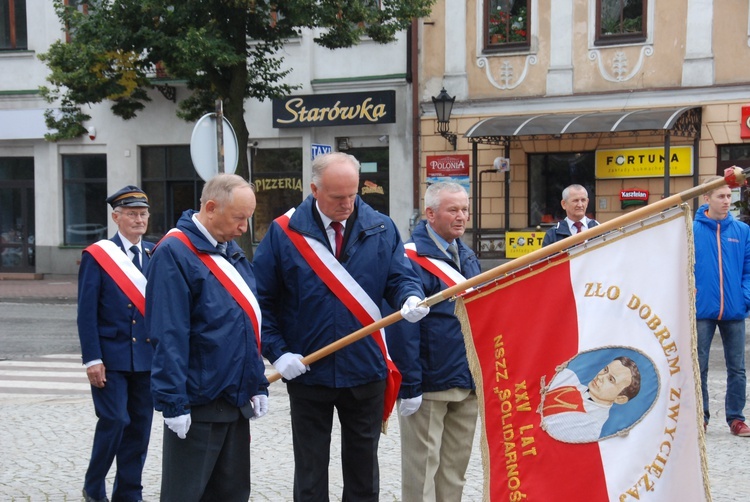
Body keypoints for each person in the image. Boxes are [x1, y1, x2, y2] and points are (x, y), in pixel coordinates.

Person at [253, 152, 429, 501]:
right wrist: (277, 352)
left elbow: (400, 277)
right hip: (307, 370)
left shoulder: (380, 226)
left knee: (364, 473)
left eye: (353, 194)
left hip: (365, 369)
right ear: (314, 189)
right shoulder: (283, 233)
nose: (347, 204)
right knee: (310, 471)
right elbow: (261, 302)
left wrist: (409, 297)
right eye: (337, 197)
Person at [146, 173, 269, 501]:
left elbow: (245, 324)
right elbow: (168, 333)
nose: (244, 228)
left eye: (248, 218)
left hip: (233, 401)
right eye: (238, 218)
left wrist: (256, 384)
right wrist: (173, 402)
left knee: (231, 494)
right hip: (198, 403)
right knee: (186, 494)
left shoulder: (229, 250)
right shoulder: (174, 253)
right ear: (211, 208)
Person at [385, 181, 481, 502]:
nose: (461, 216)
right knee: (421, 472)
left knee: (454, 472)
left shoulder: (466, 256)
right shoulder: (409, 258)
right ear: (430, 213)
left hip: (465, 380)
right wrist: (410, 385)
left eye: (465, 209)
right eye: (453, 209)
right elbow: (402, 329)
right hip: (429, 383)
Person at [77, 185, 154, 502]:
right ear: (116, 217)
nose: (139, 219)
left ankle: (129, 492)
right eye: (132, 214)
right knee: (115, 420)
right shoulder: (98, 256)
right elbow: (86, 312)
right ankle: (94, 485)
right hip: (111, 358)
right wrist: (92, 358)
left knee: (139, 428)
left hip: (146, 359)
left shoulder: (154, 253)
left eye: (143, 214)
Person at [694, 176, 750, 437]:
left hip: (734, 311)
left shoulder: (742, 231)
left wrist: (745, 298)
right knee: (700, 366)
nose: (727, 201)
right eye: (721, 196)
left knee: (737, 368)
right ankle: (700, 417)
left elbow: (748, 269)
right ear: (707, 198)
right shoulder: (691, 230)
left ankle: (736, 419)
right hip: (702, 310)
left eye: (729, 196)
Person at [540, 357, 640, 443]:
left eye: (611, 379)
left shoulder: (589, 427)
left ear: (620, 399)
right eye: (605, 370)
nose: (601, 376)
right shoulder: (569, 377)